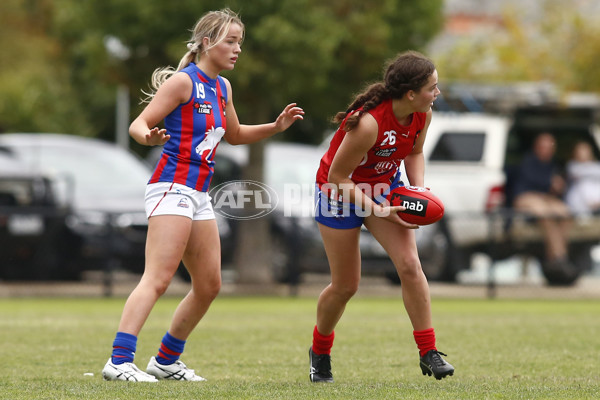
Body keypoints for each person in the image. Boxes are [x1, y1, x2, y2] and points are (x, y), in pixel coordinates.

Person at [102, 8, 304, 382]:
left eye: (239, 42)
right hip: (170, 187)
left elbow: (236, 134)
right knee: (158, 278)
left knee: (209, 284)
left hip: (198, 193)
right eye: (230, 41)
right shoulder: (183, 82)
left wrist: (276, 126)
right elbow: (138, 124)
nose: (237, 49)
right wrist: (148, 137)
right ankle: (118, 361)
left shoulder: (222, 87)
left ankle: (164, 361)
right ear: (207, 42)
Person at [309, 50, 454, 382]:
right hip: (338, 192)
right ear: (410, 94)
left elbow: (414, 152)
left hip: (383, 188)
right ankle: (320, 351)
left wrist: (418, 192)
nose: (437, 93)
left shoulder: (422, 114)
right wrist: (375, 209)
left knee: (410, 266)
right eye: (432, 87)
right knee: (346, 285)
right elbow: (337, 178)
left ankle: (428, 352)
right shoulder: (369, 123)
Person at [511, 132, 572, 270]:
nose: (547, 149)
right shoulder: (528, 161)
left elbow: (554, 189)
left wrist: (558, 186)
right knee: (546, 215)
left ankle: (557, 255)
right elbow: (533, 182)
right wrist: (551, 183)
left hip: (544, 199)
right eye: (544, 146)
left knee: (566, 213)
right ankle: (558, 257)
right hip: (525, 197)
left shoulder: (552, 164)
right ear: (537, 147)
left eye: (550, 146)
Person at [565, 140, 600, 215]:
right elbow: (579, 173)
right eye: (580, 151)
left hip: (597, 202)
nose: (583, 153)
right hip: (580, 204)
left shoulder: (597, 165)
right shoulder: (572, 166)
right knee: (584, 184)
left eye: (585, 150)